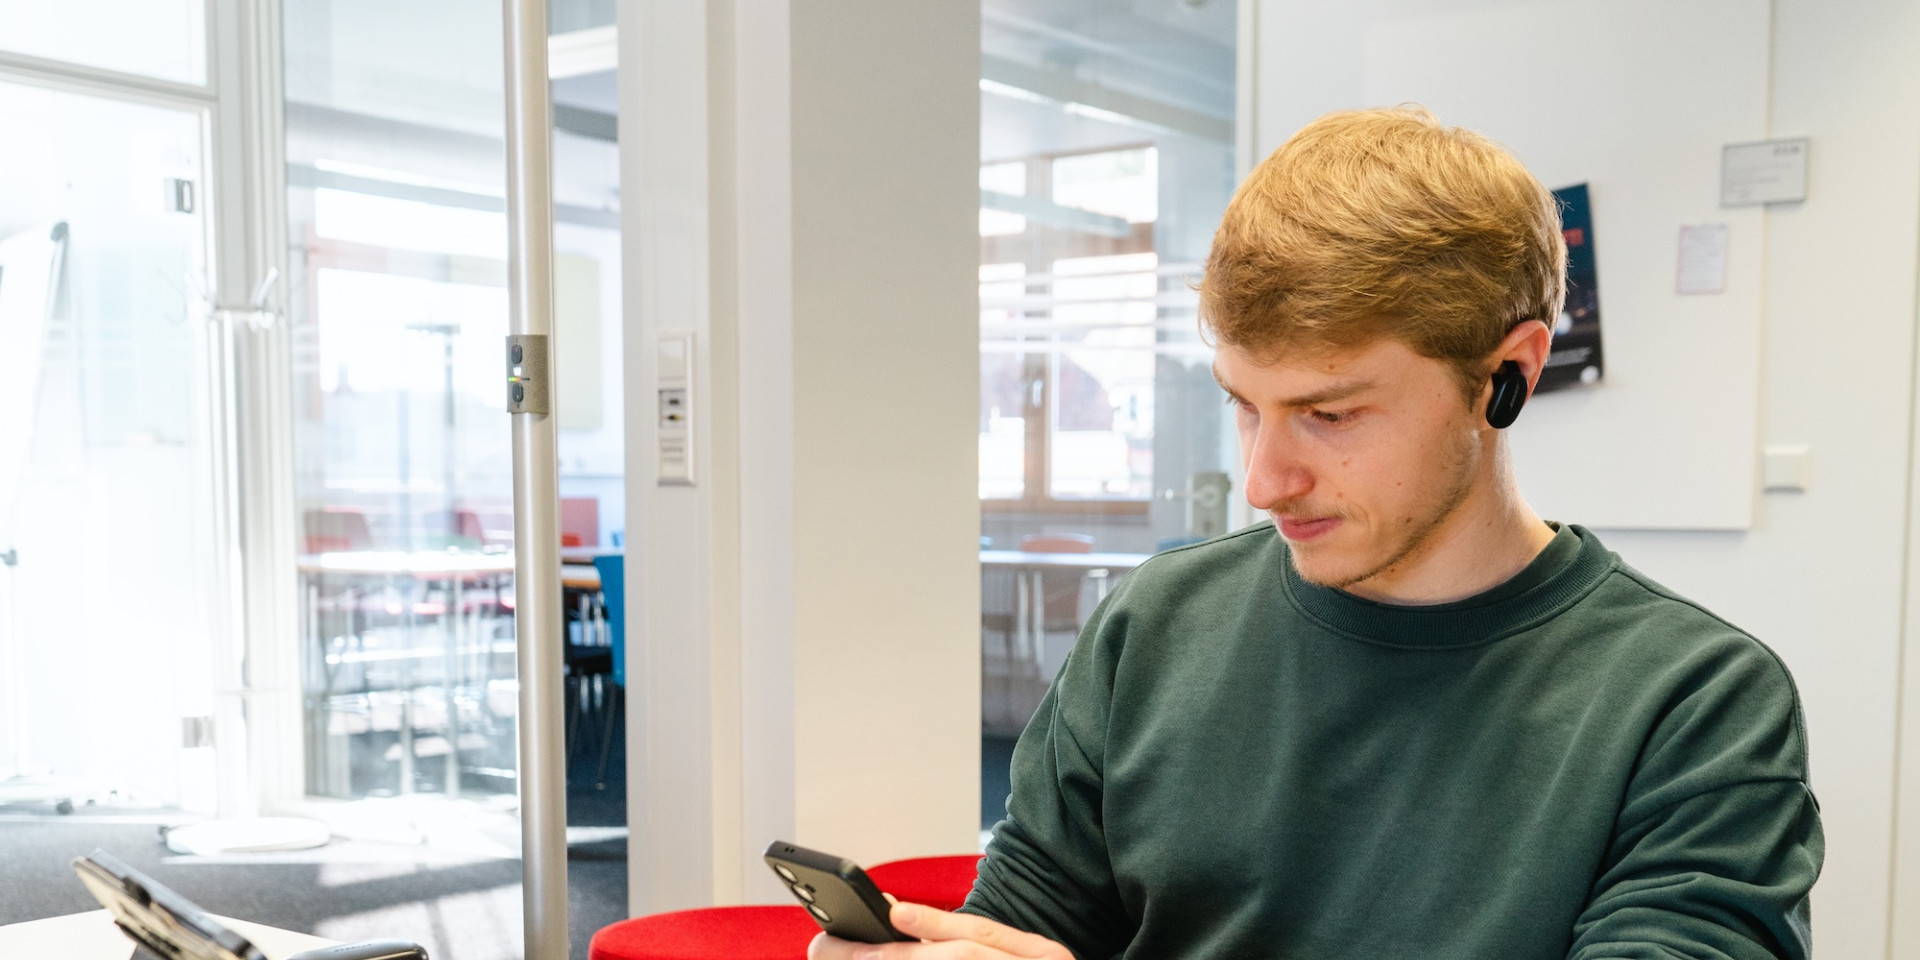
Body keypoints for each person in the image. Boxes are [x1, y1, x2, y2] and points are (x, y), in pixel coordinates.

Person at [812, 106, 1823, 960]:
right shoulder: (1157, 625)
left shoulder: (1696, 706)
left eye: (1330, 414)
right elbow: (1030, 913)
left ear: (1506, 373)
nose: (1264, 479)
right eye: (1245, 405)